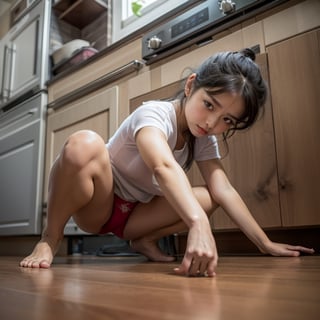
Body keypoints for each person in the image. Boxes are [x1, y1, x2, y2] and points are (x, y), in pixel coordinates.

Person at [20, 49, 314, 276]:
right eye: (209, 105)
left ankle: (143, 240)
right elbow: (163, 166)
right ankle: (49, 239)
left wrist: (265, 243)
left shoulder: (202, 137)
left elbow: (223, 189)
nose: (211, 123)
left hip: (136, 217)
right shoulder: (154, 115)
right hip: (98, 205)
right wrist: (197, 223)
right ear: (190, 87)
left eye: (227, 120)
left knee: (210, 195)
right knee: (84, 143)